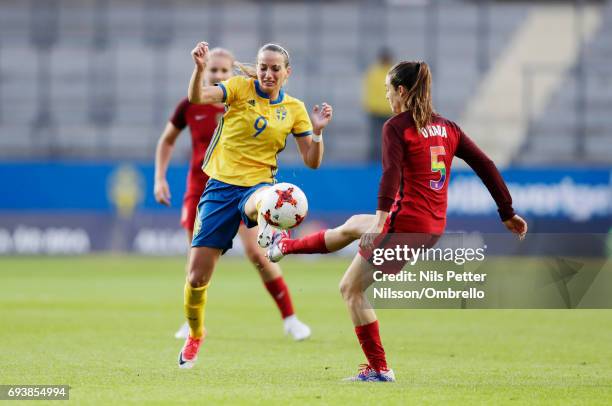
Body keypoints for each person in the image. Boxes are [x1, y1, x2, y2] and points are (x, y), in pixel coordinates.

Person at [267, 61, 528, 382]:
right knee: (351, 225)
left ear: (402, 91)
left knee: (350, 289)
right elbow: (485, 163)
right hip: (430, 226)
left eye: (389, 90)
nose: (387, 96)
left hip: (402, 223)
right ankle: (285, 245)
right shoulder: (449, 128)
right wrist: (507, 211)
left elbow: (390, 175)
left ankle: (379, 368)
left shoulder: (396, 126)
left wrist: (380, 222)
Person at [177, 41, 333, 369]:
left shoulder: (294, 109)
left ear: (287, 73)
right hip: (219, 189)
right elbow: (196, 97)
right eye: (263, 66)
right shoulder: (238, 87)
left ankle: (270, 228)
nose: (268, 73)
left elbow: (312, 161)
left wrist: (317, 134)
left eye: (275, 68)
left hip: (258, 186)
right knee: (195, 278)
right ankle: (196, 333)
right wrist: (199, 69)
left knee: (269, 198)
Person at [153, 47, 311, 342]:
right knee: (196, 266)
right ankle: (192, 324)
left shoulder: (240, 97)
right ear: (207, 70)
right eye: (214, 70)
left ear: (232, 73)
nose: (219, 75)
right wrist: (159, 178)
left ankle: (290, 318)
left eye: (225, 71)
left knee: (258, 254)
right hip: (203, 188)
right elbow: (167, 140)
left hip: (246, 187)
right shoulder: (193, 103)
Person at [362, 47, 394, 162]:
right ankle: (375, 161)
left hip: (389, 112)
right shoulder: (374, 72)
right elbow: (369, 91)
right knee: (376, 139)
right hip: (376, 111)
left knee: (389, 139)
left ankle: (388, 160)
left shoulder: (393, 72)